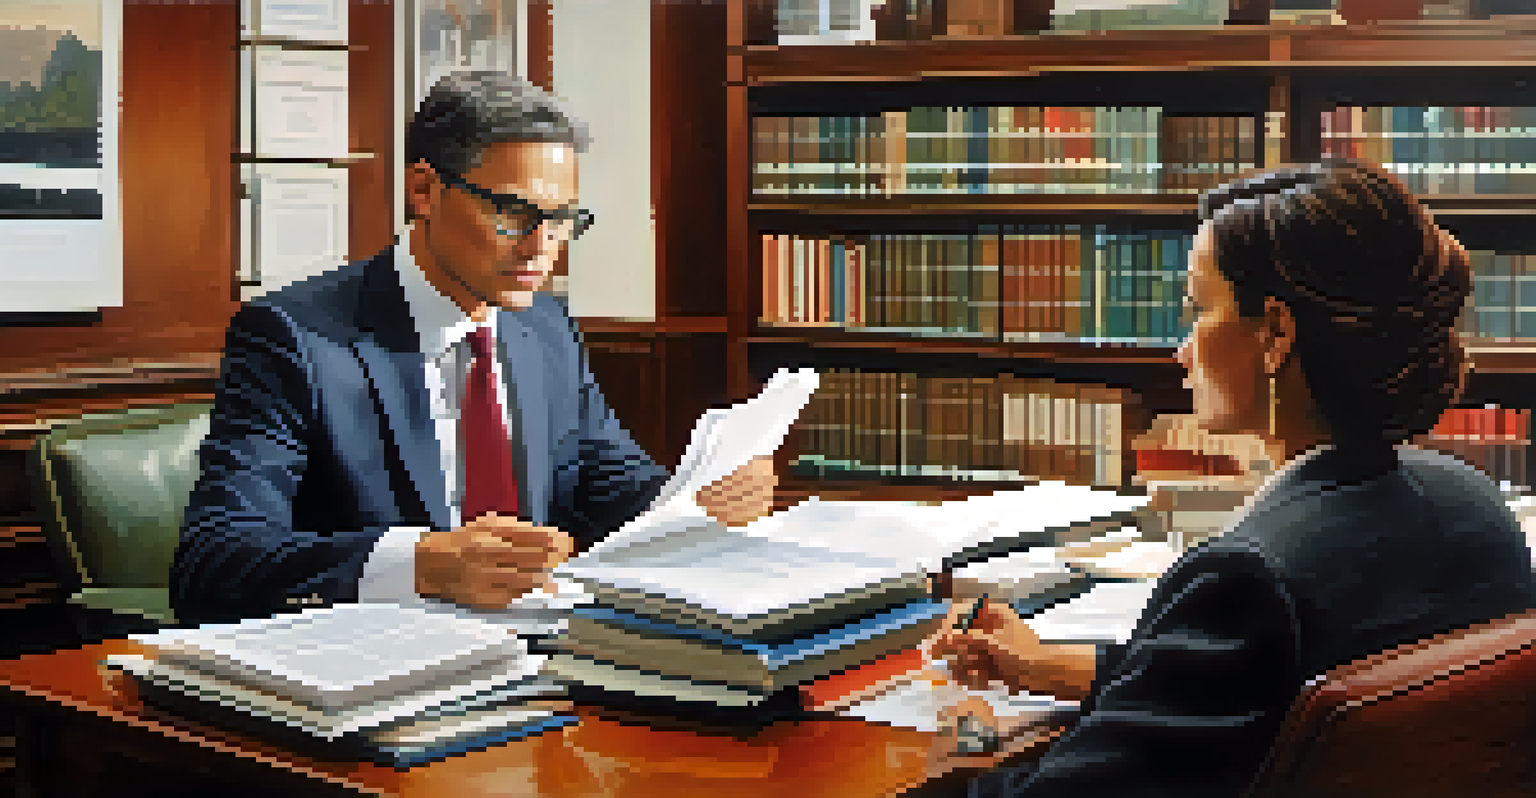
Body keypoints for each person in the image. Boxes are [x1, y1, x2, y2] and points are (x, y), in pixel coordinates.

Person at [930, 158, 1536, 797]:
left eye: (1200, 308)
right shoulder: (1470, 501)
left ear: (1275, 332)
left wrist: (961, 752)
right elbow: (1264, 687)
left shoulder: (1247, 578)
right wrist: (1056, 665)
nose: (1182, 349)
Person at [171, 72, 776, 626]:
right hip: (374, 671)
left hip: (535, 661)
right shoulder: (293, 338)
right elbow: (213, 559)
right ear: (424, 190)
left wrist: (698, 504)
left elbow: (610, 484)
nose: (544, 247)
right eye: (515, 213)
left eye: (562, 218)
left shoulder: (543, 326)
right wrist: (419, 565)